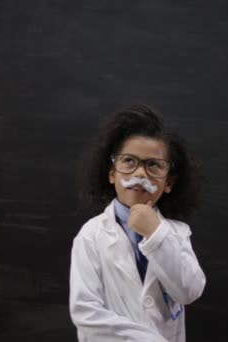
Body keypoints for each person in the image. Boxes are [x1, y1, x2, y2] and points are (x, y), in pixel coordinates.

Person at [69, 104, 206, 342]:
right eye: (129, 161)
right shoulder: (91, 234)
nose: (140, 174)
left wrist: (156, 233)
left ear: (169, 181)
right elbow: (86, 311)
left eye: (153, 165)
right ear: (112, 173)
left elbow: (189, 291)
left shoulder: (176, 233)